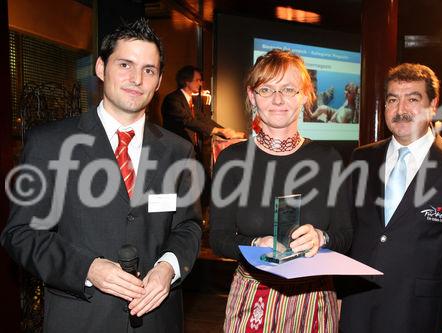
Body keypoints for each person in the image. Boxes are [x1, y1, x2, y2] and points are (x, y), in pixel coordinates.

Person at [1, 19, 202, 332]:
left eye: (149, 70)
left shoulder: (178, 150)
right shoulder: (50, 144)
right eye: (125, 64)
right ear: (100, 68)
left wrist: (169, 267)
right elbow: (22, 233)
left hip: (158, 320)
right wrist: (88, 268)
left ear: (159, 79)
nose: (136, 79)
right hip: (80, 319)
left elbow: (187, 226)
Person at [209, 49, 353, 332]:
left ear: (304, 96)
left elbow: (345, 235)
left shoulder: (329, 159)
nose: (278, 99)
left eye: (289, 89)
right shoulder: (232, 160)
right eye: (266, 89)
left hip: (314, 303)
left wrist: (321, 237)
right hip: (253, 299)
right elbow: (219, 238)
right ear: (252, 97)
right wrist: (254, 245)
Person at [339, 63, 442, 333]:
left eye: (413, 99)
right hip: (356, 312)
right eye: (392, 99)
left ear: (433, 105)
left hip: (420, 316)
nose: (401, 110)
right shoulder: (361, 158)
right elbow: (347, 233)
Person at [161, 65, 245, 153]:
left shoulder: (189, 100)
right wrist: (219, 131)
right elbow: (187, 120)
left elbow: (203, 118)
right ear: (187, 81)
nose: (200, 84)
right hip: (175, 150)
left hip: (188, 149)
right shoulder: (172, 99)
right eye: (197, 80)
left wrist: (228, 133)